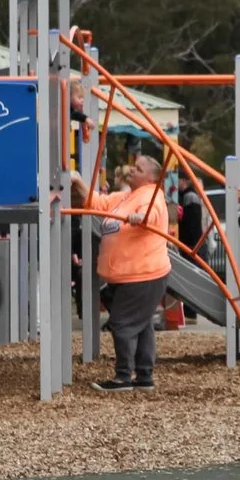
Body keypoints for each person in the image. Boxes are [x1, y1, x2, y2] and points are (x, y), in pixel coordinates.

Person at [76, 149, 172, 390]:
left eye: (138, 169)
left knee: (122, 323)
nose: (132, 170)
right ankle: (143, 376)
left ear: (150, 179)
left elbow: (155, 215)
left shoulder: (152, 195)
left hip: (143, 273)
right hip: (129, 274)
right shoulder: (127, 195)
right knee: (141, 324)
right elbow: (97, 203)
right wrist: (77, 181)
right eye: (133, 165)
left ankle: (122, 377)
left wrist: (142, 218)